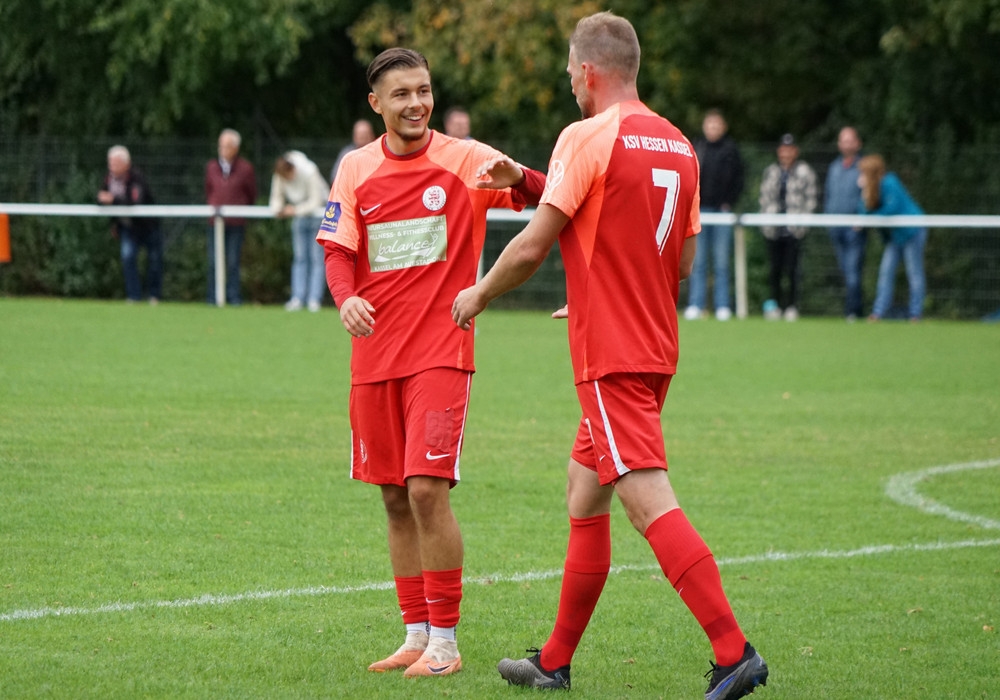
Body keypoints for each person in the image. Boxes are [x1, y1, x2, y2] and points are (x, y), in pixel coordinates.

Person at [452, 12, 768, 700]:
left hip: (612, 354)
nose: (569, 80)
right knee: (583, 489)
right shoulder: (679, 144)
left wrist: (478, 293)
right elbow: (677, 260)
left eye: (570, 69)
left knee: (646, 500)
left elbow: (533, 246)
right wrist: (534, 186)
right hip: (654, 345)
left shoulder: (586, 134)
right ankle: (554, 662)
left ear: (589, 70)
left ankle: (733, 651)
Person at [316, 47, 545, 679]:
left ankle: (445, 642)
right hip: (374, 356)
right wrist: (346, 297)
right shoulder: (355, 167)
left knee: (425, 488)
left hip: (442, 350)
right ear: (376, 104)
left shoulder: (466, 159)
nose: (416, 103)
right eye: (401, 94)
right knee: (394, 497)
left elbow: (550, 195)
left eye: (423, 90)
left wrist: (519, 178)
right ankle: (415, 635)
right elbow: (337, 249)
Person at [684, 109, 744, 321]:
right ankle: (696, 304)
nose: (713, 128)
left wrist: (729, 202)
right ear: (704, 127)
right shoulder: (697, 147)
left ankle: (722, 306)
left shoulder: (731, 150)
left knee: (721, 262)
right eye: (710, 124)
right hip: (699, 212)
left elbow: (739, 179)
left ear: (723, 127)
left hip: (722, 213)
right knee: (698, 261)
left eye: (717, 125)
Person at [857, 155, 927, 322]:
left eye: (863, 173)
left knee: (914, 272)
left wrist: (870, 217)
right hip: (895, 237)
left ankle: (915, 314)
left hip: (912, 231)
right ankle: (878, 313)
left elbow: (891, 209)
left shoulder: (890, 182)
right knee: (886, 272)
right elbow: (864, 211)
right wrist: (864, 194)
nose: (860, 176)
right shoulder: (871, 189)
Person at [758, 134, 818, 321]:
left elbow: (811, 198)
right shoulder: (771, 171)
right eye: (783, 149)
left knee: (792, 269)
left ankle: (791, 306)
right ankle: (775, 305)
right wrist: (766, 219)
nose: (786, 153)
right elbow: (764, 197)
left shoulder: (804, 171)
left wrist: (804, 222)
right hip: (773, 229)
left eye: (789, 149)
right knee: (774, 269)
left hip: (794, 229)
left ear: (795, 151)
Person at [97, 145, 163, 304]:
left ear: (126, 164)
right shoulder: (108, 179)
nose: (111, 167)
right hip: (128, 228)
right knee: (128, 257)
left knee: (154, 260)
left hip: (148, 226)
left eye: (115, 163)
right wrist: (113, 222)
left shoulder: (136, 178)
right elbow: (101, 197)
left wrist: (113, 200)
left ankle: (154, 296)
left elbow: (135, 202)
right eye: (110, 163)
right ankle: (134, 296)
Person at [269, 151, 329, 312]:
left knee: (317, 258)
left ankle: (314, 299)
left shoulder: (309, 171)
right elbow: (276, 197)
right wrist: (278, 209)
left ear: (293, 169)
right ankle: (298, 297)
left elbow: (315, 201)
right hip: (299, 216)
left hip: (318, 215)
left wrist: (294, 210)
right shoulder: (280, 174)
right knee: (300, 257)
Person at [205, 128, 257, 305]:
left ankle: (234, 298)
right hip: (215, 222)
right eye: (221, 146)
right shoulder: (212, 167)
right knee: (213, 261)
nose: (223, 150)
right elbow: (208, 190)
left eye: (227, 146)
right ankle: (212, 298)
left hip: (236, 223)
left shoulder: (246, 168)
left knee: (233, 261)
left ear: (235, 148)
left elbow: (251, 194)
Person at [824, 126, 866, 321]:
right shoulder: (834, 167)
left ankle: (852, 312)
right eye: (843, 140)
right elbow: (829, 195)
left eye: (850, 140)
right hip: (835, 227)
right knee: (846, 271)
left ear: (858, 143)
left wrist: (862, 218)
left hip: (854, 228)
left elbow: (868, 196)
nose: (846, 144)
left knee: (853, 271)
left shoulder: (863, 167)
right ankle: (855, 310)